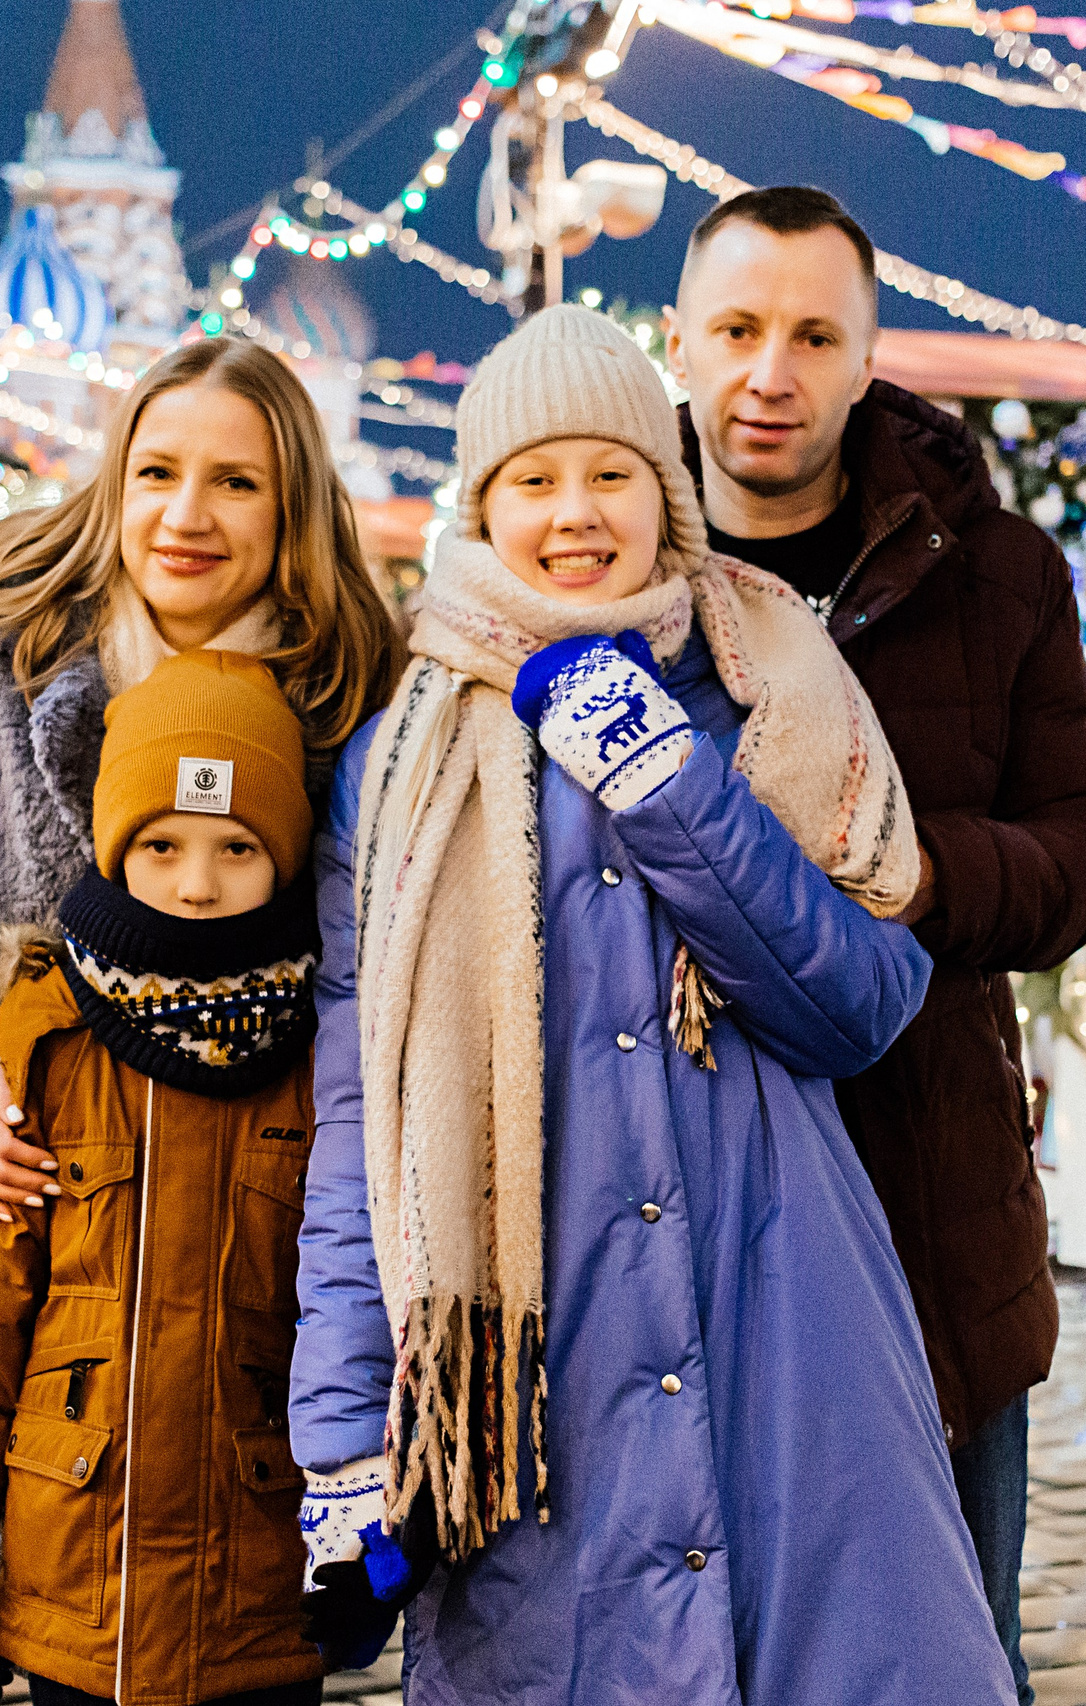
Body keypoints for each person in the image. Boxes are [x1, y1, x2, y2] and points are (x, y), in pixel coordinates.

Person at [289, 305, 1014, 1704]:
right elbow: (356, 1113)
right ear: (483, 505)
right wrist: (342, 1436)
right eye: (535, 480)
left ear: (665, 493)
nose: (577, 513)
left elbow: (858, 1002)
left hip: (791, 1336)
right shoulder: (397, 766)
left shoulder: (772, 693)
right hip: (537, 1384)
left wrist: (665, 774)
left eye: (612, 472)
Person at [0, 336, 402, 1706]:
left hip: (213, 1347)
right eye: (159, 472)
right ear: (114, 485)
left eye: (234, 482)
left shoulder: (347, 713)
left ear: (289, 509)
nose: (189, 514)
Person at [663, 186, 1086, 1704]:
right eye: (736, 330)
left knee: (937, 1658)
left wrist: (924, 871)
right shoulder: (606, 560)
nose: (768, 374)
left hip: (926, 1216)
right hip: (674, 1215)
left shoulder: (992, 572)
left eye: (812, 335)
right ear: (678, 339)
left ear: (870, 359)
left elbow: (1085, 847)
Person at [0, 651, 327, 1706]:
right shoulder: (51, 1040)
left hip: (253, 1592)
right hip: (78, 1578)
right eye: (162, 844)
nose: (196, 879)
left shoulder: (319, 1055)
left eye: (236, 846)